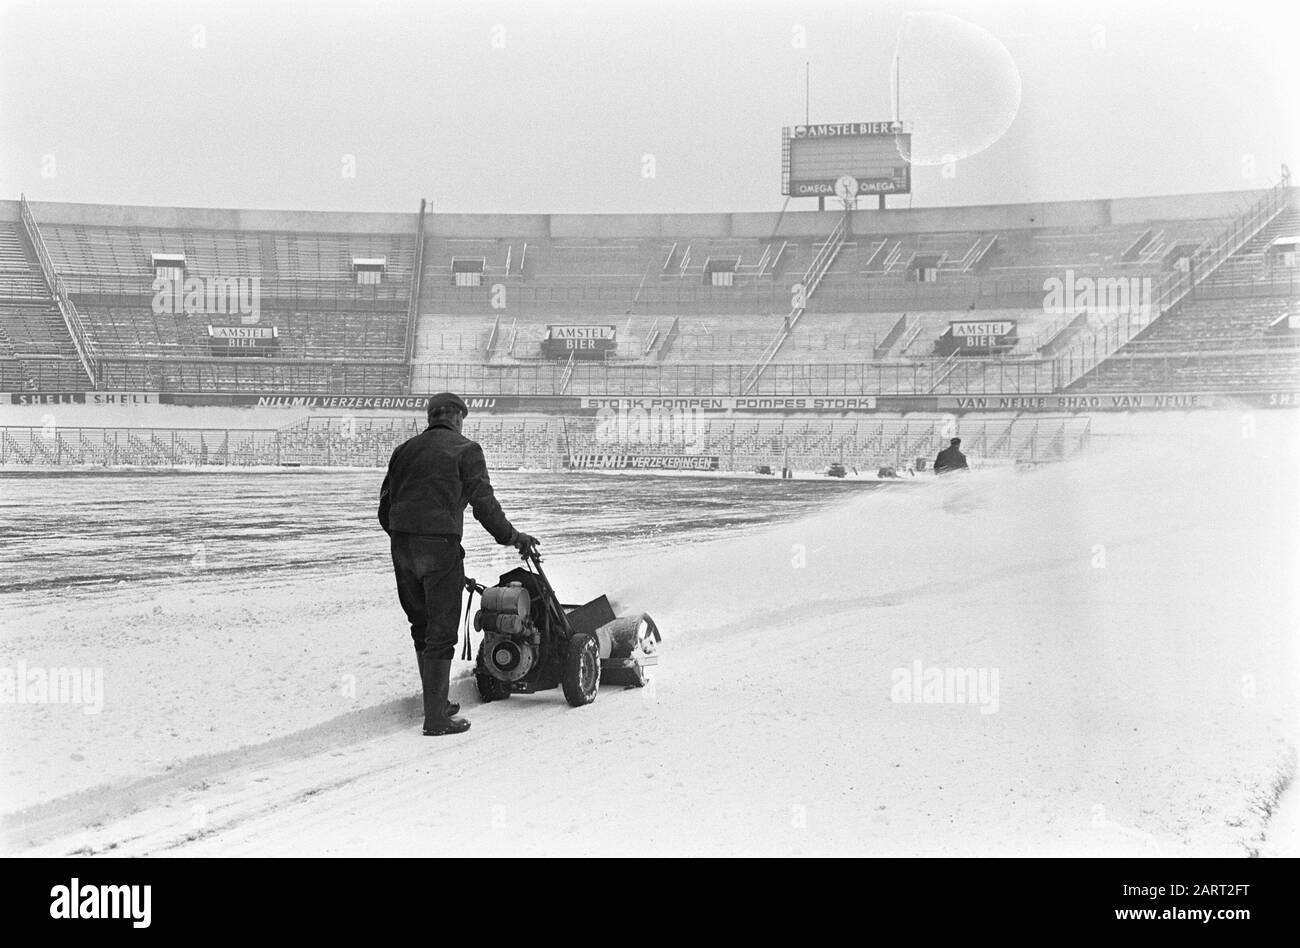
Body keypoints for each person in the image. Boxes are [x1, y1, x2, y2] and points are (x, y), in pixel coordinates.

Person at [378, 392, 537, 736]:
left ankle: (435, 703)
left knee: (420, 626)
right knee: (441, 632)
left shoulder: (403, 451)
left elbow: (384, 509)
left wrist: (405, 537)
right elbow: (484, 505)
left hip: (401, 547)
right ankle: (436, 719)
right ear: (458, 418)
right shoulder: (467, 450)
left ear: (431, 417)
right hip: (439, 549)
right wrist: (512, 537)